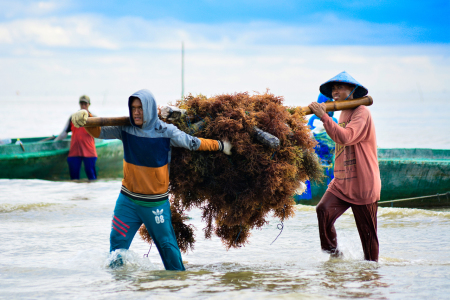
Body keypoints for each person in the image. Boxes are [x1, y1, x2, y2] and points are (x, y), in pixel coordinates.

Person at [71, 89, 232, 271]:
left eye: (140, 108)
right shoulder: (125, 128)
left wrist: (220, 145)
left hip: (155, 205)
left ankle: (179, 285)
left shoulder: (165, 131)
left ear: (149, 107)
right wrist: (87, 117)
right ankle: (118, 286)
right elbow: (99, 131)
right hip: (127, 203)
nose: (136, 112)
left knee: (168, 249)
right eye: (133, 108)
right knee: (116, 247)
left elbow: (192, 142)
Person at [308, 71, 381, 261]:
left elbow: (346, 137)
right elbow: (337, 137)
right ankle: (335, 257)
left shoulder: (362, 112)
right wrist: (326, 118)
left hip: (363, 183)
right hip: (341, 181)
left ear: (353, 90)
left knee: (368, 236)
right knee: (322, 210)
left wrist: (324, 117)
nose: (335, 91)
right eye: (333, 88)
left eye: (340, 87)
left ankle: (371, 274)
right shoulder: (343, 112)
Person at [55, 95, 97, 180]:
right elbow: (64, 132)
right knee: (73, 177)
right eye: (82, 103)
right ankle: (75, 193)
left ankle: (92, 192)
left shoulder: (93, 118)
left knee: (91, 175)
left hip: (89, 151)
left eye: (85, 104)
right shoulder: (73, 117)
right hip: (75, 151)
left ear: (89, 104)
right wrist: (55, 141)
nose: (83, 106)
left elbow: (100, 133)